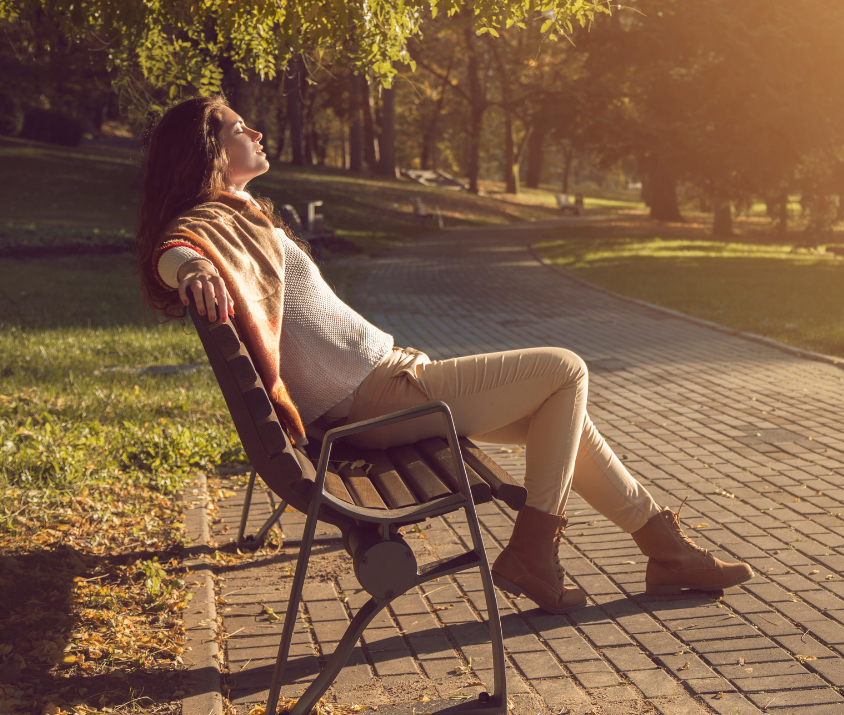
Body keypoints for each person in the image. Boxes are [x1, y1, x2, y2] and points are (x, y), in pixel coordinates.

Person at [136, 95, 752, 614]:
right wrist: (189, 268)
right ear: (210, 150)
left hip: (387, 385)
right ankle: (538, 551)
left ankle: (665, 548)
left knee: (560, 411)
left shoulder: (241, 216)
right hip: (376, 399)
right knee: (566, 370)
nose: (257, 130)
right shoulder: (210, 220)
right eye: (240, 128)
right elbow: (172, 247)